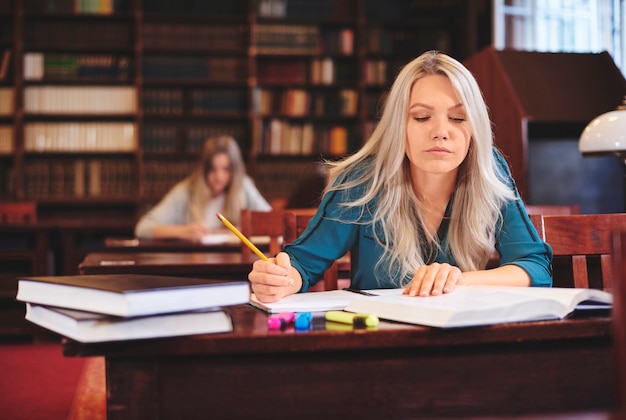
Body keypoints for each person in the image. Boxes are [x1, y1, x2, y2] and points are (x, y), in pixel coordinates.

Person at [248, 50, 553, 303]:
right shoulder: (361, 179)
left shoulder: (488, 167)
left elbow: (534, 268)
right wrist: (281, 279)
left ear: (474, 128)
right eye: (421, 117)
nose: (441, 132)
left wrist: (460, 280)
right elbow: (303, 263)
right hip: (379, 344)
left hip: (461, 339)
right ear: (398, 125)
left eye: (458, 118)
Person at [135, 135, 271, 241]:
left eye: (226, 169)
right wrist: (183, 232)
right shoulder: (186, 191)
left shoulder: (243, 186)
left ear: (235, 171)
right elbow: (143, 228)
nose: (219, 177)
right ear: (203, 169)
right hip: (195, 262)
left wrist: (243, 229)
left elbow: (273, 222)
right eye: (212, 169)